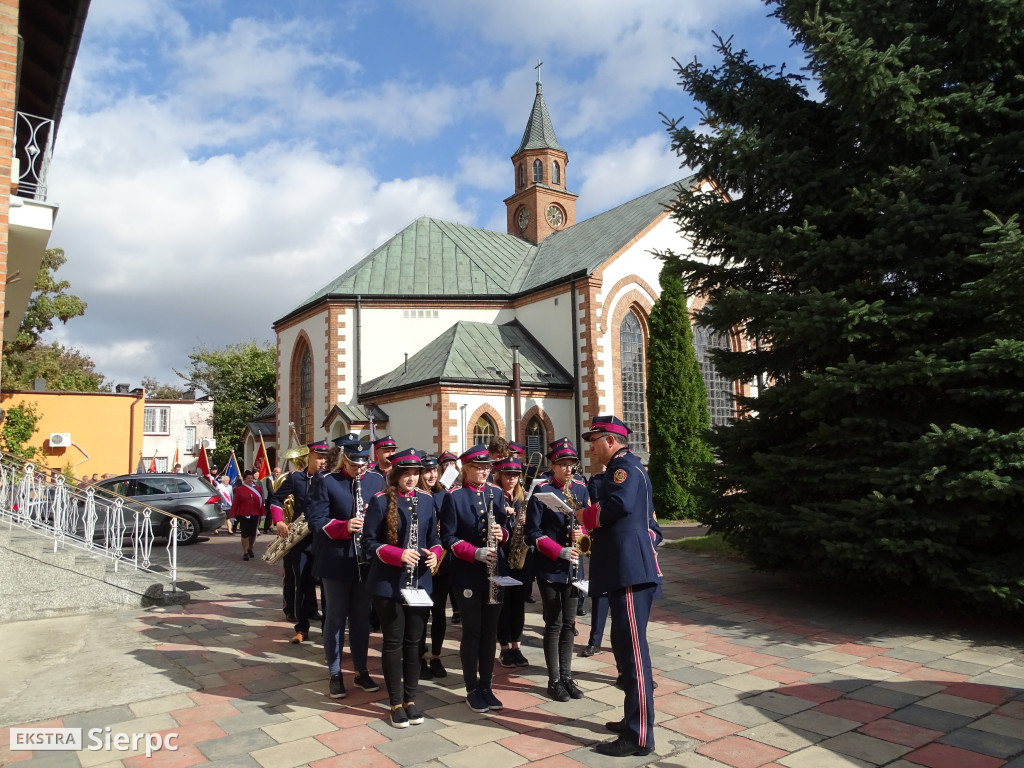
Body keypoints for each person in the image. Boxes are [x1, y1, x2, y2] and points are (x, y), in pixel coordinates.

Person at [576, 416, 662, 757]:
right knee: (624, 648)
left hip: (629, 571)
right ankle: (632, 720)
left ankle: (639, 735)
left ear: (611, 440)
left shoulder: (622, 468)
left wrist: (587, 516)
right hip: (624, 570)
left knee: (633, 654)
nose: (591, 446)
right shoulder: (624, 468)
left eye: (595, 439)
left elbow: (620, 505)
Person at [363, 449, 441, 728]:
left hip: (420, 582)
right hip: (388, 584)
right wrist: (398, 555)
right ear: (395, 474)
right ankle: (395, 702)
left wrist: (435, 554)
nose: (412, 478)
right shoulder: (381, 501)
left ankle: (411, 699)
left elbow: (434, 538)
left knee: (414, 643)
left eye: (416, 473)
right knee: (394, 642)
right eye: (406, 473)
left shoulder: (427, 500)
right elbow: (368, 543)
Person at [306, 434, 384, 699]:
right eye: (353, 464)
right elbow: (316, 519)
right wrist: (343, 526)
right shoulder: (326, 480)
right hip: (336, 559)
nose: (358, 470)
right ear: (343, 459)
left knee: (362, 619)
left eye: (363, 465)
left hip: (366, 561)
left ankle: (361, 670)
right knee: (336, 618)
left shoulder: (377, 480)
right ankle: (336, 672)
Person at [439, 444, 509, 713]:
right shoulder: (454, 497)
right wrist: (474, 552)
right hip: (467, 573)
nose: (483, 472)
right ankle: (471, 687)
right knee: (472, 631)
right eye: (478, 467)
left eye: (487, 467)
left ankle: (487, 685)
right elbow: (448, 538)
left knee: (490, 632)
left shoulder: (496, 493)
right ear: (465, 469)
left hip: (494, 573)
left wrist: (501, 534)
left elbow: (504, 526)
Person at [526, 440, 589, 701]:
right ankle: (554, 679)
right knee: (553, 624)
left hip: (574, 568)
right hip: (550, 567)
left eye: (571, 464)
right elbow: (533, 533)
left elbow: (588, 525)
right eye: (562, 464)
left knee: (569, 623)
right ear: (552, 466)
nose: (567, 469)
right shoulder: (542, 491)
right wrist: (557, 550)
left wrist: (582, 534)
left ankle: (567, 676)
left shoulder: (581, 491)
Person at [271, 442, 328, 643]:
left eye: (326, 458)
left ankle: (327, 630)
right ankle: (302, 628)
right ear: (310, 456)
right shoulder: (295, 478)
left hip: (325, 538)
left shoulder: (330, 479)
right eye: (319, 457)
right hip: (302, 539)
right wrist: (279, 520)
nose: (323, 461)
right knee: (302, 583)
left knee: (327, 586)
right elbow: (275, 499)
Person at [417, 455, 451, 680]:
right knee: (420, 613)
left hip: (442, 560)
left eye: (434, 471)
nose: (432, 475)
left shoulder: (443, 494)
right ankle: (419, 657)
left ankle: (436, 656)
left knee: (438, 612)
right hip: (420, 560)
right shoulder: (415, 496)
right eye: (427, 471)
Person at [495, 457, 531, 669]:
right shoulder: (494, 495)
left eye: (515, 475)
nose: (512, 479)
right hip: (501, 556)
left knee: (518, 604)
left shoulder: (521, 496)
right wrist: (503, 514)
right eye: (508, 474)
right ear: (499, 474)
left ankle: (517, 646)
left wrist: (527, 521)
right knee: (504, 605)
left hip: (520, 557)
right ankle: (504, 648)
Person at [231, 470, 265, 560]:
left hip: (255, 514)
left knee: (253, 534)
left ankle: (250, 548)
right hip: (243, 514)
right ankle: (245, 552)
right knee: (245, 534)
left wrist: (263, 513)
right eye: (248, 478)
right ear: (244, 479)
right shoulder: (239, 490)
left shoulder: (258, 489)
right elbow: (235, 504)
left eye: (251, 478)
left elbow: (261, 502)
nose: (250, 480)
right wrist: (232, 516)